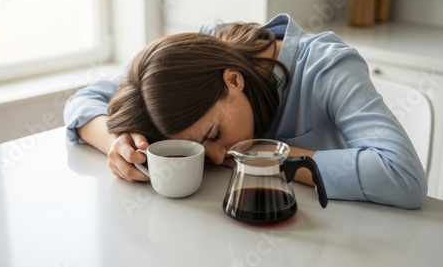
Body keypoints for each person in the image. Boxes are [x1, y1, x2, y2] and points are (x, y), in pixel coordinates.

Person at [64, 13, 427, 209]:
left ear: (233, 80)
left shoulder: (328, 69)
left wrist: (263, 154)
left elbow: (404, 180)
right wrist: (115, 142)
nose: (217, 157)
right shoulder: (200, 53)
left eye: (212, 136)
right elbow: (82, 101)